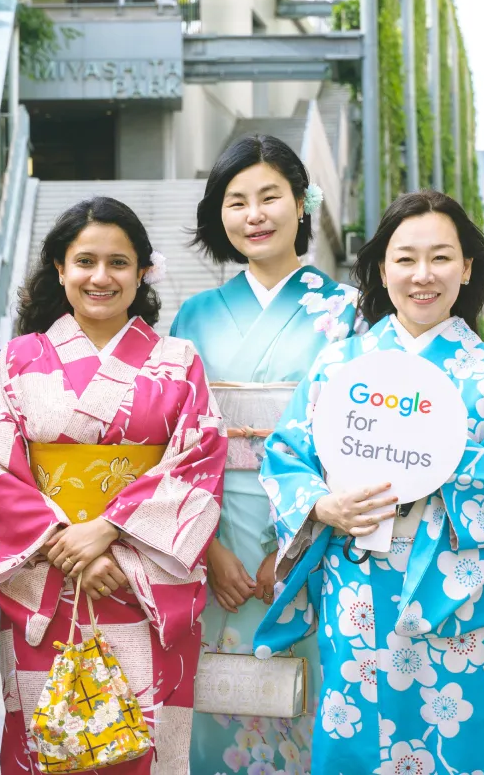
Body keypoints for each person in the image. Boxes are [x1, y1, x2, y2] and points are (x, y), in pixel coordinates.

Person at [257, 190, 484, 775]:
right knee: (355, 744)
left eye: (442, 257)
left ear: (468, 268)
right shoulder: (339, 364)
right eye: (405, 258)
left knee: (462, 742)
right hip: (358, 586)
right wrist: (322, 505)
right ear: (381, 268)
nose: (423, 275)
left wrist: (438, 477)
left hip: (456, 596)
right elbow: (287, 454)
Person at [0, 196, 227, 774]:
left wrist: (108, 530)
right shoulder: (18, 359)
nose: (100, 277)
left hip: (141, 581)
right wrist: (65, 541)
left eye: (119, 262)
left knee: (147, 742)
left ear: (142, 272)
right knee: (46, 741)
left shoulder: (179, 360)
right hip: (48, 575)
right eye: (84, 261)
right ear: (60, 269)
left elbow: (199, 460)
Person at [169, 134, 364, 774]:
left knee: (308, 698)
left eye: (270, 197)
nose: (254, 215)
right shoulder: (193, 316)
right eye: (236, 201)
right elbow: (176, 442)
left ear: (302, 204)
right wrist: (209, 548)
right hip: (213, 522)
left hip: (312, 532)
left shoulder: (348, 313)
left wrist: (299, 541)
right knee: (217, 698)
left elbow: (358, 441)